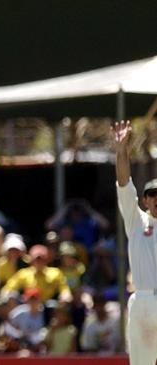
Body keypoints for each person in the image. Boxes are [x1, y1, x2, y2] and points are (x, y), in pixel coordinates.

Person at [113, 120, 157, 364]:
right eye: (152, 195)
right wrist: (121, 150)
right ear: (145, 201)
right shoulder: (136, 221)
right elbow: (123, 183)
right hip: (142, 301)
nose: (156, 199)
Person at [0, 245, 72, 304]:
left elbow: (64, 289)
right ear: (32, 261)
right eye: (36, 260)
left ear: (47, 260)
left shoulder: (55, 273)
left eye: (42, 259)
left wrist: (65, 296)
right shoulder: (24, 273)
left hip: (48, 306)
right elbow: (8, 288)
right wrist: (5, 295)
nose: (39, 262)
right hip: (29, 306)